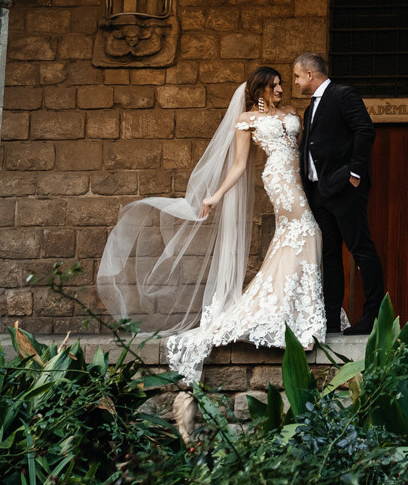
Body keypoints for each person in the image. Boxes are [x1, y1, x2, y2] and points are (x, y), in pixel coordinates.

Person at [96, 65, 326, 380]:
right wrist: (216, 195)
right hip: (278, 179)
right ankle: (289, 315)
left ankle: (295, 313)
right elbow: (238, 164)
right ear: (259, 90)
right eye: (274, 85)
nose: (280, 89)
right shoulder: (246, 120)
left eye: (281, 84)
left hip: (299, 177)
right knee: (306, 232)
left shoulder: (289, 111)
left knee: (298, 236)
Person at [293, 51, 381, 334]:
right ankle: (330, 320)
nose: (294, 82)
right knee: (329, 255)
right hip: (320, 194)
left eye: (296, 76)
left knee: (360, 249)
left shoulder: (343, 95)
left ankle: (373, 316)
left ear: (309, 74)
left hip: (345, 189)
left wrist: (355, 174)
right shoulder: (310, 109)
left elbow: (364, 130)